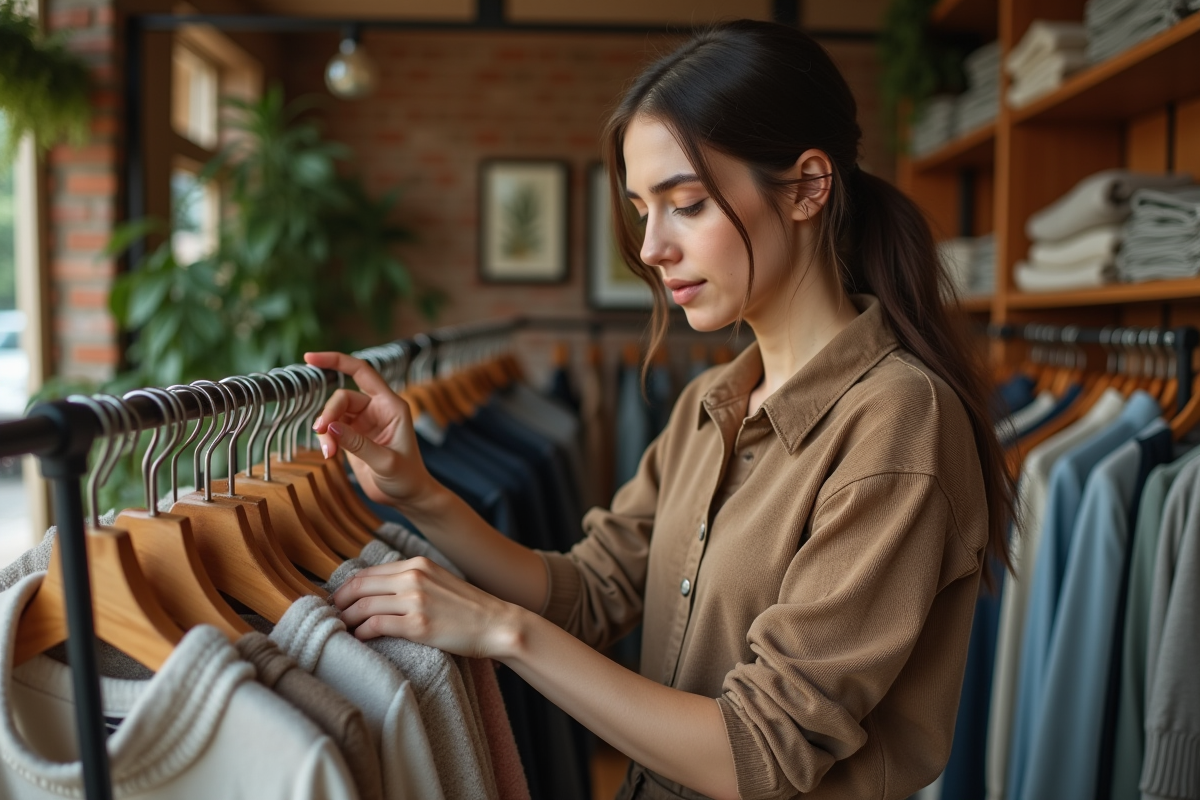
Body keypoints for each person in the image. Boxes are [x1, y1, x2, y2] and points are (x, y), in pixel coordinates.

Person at [305, 19, 1014, 800]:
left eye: (687, 204)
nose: (650, 248)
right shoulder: (711, 406)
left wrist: (499, 631)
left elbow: (763, 753)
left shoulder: (898, 424)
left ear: (810, 187)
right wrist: (420, 494)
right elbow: (589, 593)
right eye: (644, 208)